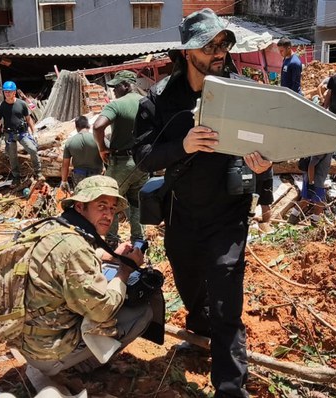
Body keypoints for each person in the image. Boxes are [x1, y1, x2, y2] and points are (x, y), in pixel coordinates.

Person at [132, 8, 272, 397]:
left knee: (227, 300)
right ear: (187, 51)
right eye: (210, 45)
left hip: (228, 215)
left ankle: (230, 387)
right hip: (181, 215)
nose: (219, 52)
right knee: (191, 285)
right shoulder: (159, 100)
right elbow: (143, 156)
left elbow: (264, 142)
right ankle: (200, 336)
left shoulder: (243, 92)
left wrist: (265, 182)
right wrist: (183, 145)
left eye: (223, 44)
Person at [19, 175, 154, 377]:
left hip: (26, 339)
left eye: (112, 208)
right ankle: (81, 366)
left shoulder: (51, 227)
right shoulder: (75, 249)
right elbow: (102, 311)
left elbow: (63, 259)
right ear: (80, 207)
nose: (108, 215)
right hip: (47, 353)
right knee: (143, 310)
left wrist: (106, 254)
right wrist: (125, 270)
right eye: (101, 206)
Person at [93, 70, 149, 246]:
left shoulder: (117, 105)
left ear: (126, 85)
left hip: (121, 163)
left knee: (110, 202)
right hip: (142, 162)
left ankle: (111, 242)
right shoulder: (147, 101)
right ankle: (139, 243)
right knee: (137, 203)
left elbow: (97, 127)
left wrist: (102, 148)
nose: (113, 91)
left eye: (116, 87)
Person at [0, 80, 41, 182]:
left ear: (14, 92)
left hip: (22, 133)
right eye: (5, 91)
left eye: (9, 91)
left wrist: (34, 131)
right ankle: (16, 176)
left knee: (32, 149)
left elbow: (28, 119)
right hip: (9, 134)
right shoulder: (1, 106)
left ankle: (38, 172)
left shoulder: (22, 104)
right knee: (12, 156)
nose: (7, 94)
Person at [60, 116, 103, 192]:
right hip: (96, 175)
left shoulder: (69, 142)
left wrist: (64, 181)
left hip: (79, 176)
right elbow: (109, 154)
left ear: (76, 127)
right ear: (89, 126)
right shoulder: (98, 138)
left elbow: (65, 165)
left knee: (81, 196)